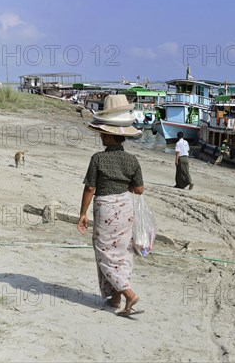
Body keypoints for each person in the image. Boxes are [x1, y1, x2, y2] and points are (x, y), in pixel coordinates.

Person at [77, 94, 144, 316]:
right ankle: (115, 299)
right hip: (125, 207)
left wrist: (82, 214)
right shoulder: (132, 160)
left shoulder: (98, 158)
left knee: (105, 252)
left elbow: (90, 188)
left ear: (108, 134)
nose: (101, 138)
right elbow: (139, 190)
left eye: (102, 134)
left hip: (105, 207)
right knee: (122, 251)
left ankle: (127, 293)